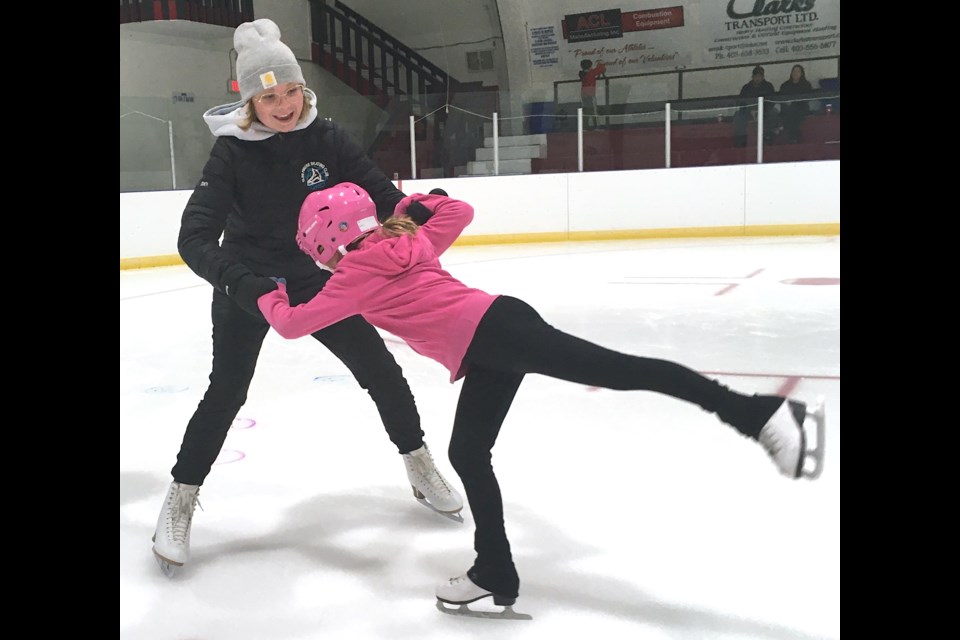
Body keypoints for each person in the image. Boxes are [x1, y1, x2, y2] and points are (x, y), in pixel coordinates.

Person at [256, 184, 827, 614]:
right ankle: (495, 572)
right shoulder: (405, 238)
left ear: (326, 240)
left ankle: (761, 414)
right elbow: (459, 211)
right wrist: (414, 204)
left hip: (494, 335)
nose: (321, 263)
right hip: (493, 334)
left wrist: (267, 294)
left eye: (318, 252)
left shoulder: (353, 272)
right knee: (469, 454)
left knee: (620, 370)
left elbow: (291, 325)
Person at [151, 19, 464, 578]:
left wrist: (421, 209)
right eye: (269, 96)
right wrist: (240, 284)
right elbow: (193, 237)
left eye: (292, 90)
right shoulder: (231, 154)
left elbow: (385, 196)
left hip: (317, 278)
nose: (285, 104)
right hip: (248, 282)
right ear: (249, 99)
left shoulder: (328, 139)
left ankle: (419, 462)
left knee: (380, 368)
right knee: (226, 392)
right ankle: (180, 499)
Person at [733, 65, 780, 147]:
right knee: (738, 116)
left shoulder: (768, 86)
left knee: (774, 113)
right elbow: (742, 103)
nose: (758, 78)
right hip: (749, 113)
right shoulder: (746, 88)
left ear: (763, 77)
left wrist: (762, 111)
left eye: (760, 76)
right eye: (756, 76)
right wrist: (750, 111)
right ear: (752, 77)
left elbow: (772, 101)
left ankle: (767, 136)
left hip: (765, 113)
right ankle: (742, 139)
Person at [778, 64, 814, 143]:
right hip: (787, 110)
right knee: (790, 112)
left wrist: (795, 103)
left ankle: (788, 132)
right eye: (794, 71)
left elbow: (807, 98)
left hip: (801, 109)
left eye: (798, 71)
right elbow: (781, 98)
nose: (795, 73)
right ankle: (794, 138)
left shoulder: (806, 85)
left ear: (802, 74)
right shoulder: (785, 85)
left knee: (794, 113)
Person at [579, 59, 607, 129]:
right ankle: (597, 126)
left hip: (584, 93)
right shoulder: (591, 73)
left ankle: (585, 126)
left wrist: (598, 66)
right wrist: (601, 63)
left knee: (586, 110)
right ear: (590, 67)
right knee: (594, 110)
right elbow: (601, 69)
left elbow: (596, 70)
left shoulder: (582, 73)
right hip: (590, 94)